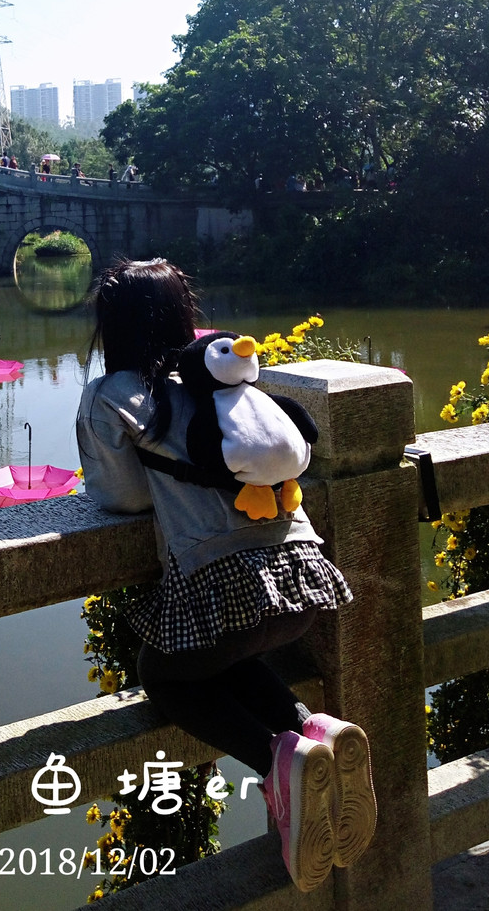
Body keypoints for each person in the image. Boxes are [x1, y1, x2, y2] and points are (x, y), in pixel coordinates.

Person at [76, 259, 375, 893]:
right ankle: (316, 730)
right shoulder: (226, 382)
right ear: (187, 315)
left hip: (222, 581)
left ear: (112, 327)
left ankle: (275, 763)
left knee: (165, 674)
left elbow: (124, 498)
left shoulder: (115, 395)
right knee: (222, 656)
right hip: (304, 580)